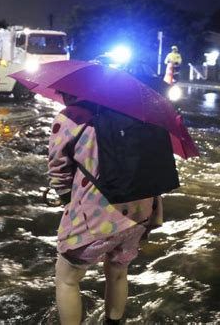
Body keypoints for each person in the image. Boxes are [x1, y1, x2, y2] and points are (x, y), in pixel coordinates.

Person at [49, 93, 164, 325]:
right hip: (139, 209)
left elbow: (58, 169)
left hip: (96, 213)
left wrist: (67, 200)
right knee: (118, 271)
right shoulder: (137, 114)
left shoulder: (72, 116)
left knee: (67, 278)